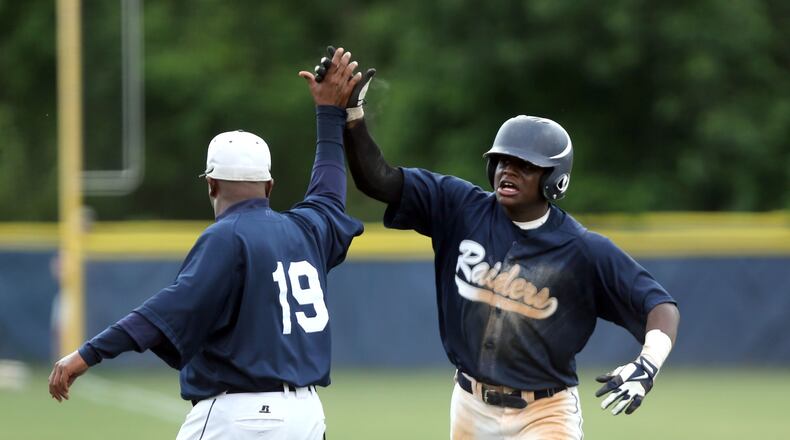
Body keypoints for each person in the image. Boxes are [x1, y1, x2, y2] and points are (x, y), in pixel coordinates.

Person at [321, 47, 680, 439]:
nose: (509, 169)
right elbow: (379, 180)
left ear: (554, 179)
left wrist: (647, 365)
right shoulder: (458, 207)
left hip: (545, 412)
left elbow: (659, 306)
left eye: (525, 164)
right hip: (470, 406)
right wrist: (353, 118)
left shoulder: (581, 248)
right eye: (503, 160)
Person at [48, 47, 365, 440]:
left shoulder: (225, 237)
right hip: (307, 416)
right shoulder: (306, 229)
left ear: (211, 184)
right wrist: (329, 116)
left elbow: (163, 311)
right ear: (269, 186)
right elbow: (330, 193)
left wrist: (88, 353)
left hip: (242, 416)